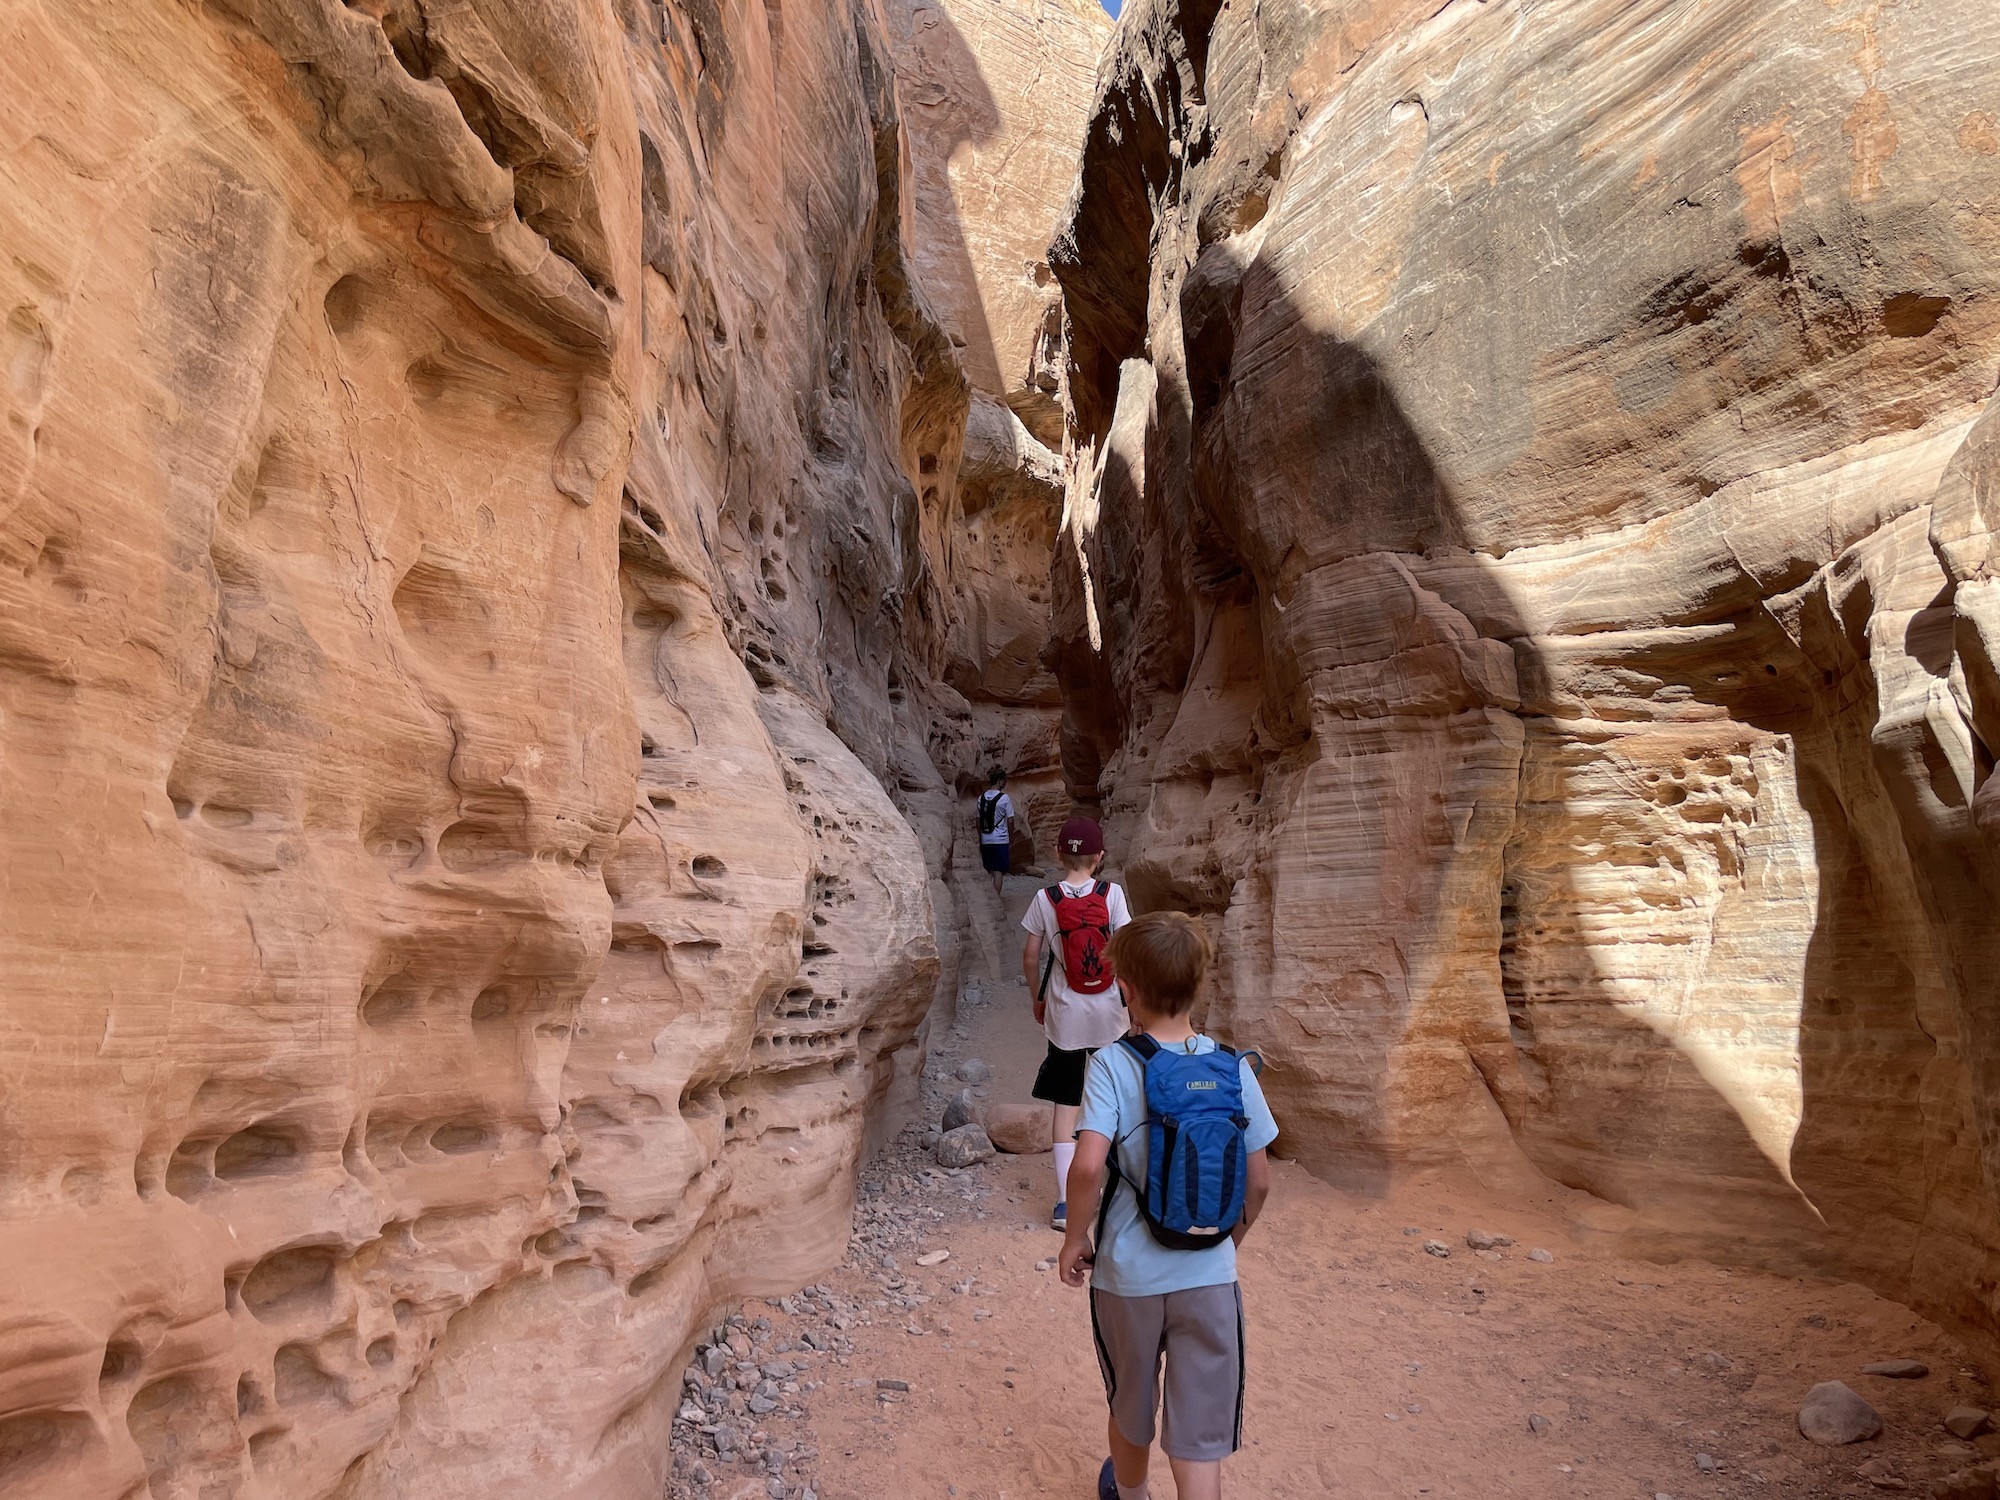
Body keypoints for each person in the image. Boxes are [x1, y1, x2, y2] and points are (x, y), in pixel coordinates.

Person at [1058, 912, 1277, 1500]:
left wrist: (1075, 1238)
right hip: (1208, 1274)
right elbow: (1258, 1182)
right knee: (1200, 1426)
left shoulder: (1112, 1063)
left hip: (1128, 1275)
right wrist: (1225, 1244)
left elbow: (1085, 1166)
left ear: (1124, 987)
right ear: (1198, 984)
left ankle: (1130, 1495)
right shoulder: (1233, 1067)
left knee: (1131, 1400)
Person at [1019, 815, 1130, 1229]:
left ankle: (1066, 1203)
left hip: (1066, 1013)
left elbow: (1031, 957)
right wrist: (1131, 1004)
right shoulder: (1112, 893)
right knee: (1113, 1099)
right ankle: (1116, 1194)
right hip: (1109, 1014)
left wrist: (1038, 997)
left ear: (1057, 854)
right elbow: (1127, 951)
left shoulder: (1045, 898)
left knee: (1066, 1102)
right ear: (1099, 857)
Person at [976, 767, 1015, 896]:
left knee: (988, 870)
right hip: (1000, 839)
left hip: (985, 839)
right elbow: (1010, 820)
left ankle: (987, 899)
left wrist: (980, 837)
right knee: (998, 871)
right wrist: (1011, 836)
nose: (1005, 784)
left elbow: (978, 820)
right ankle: (995, 901)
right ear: (999, 781)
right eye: (1004, 781)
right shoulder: (1005, 798)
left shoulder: (981, 798)